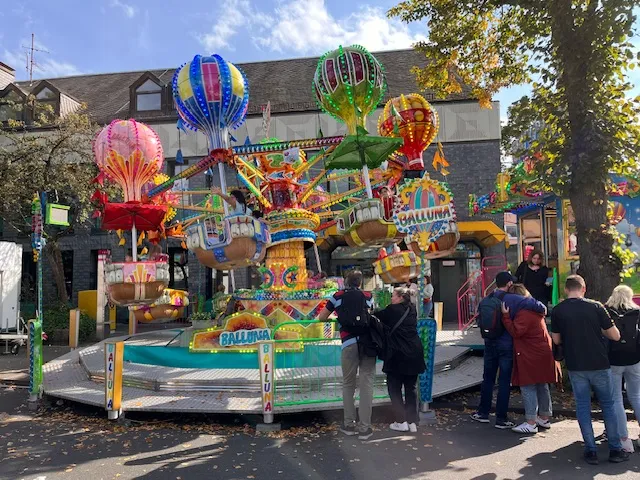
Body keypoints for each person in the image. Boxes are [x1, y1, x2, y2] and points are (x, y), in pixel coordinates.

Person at [551, 275, 628, 464]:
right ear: (583, 288)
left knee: (583, 406)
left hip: (576, 365)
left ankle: (591, 450)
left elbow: (556, 340)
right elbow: (615, 336)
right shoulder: (596, 307)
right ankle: (615, 450)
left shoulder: (558, 310)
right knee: (608, 405)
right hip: (599, 363)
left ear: (566, 290)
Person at [471, 272, 546, 429]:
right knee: (504, 381)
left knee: (488, 378)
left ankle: (482, 413)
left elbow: (479, 319)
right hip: (506, 345)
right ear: (509, 284)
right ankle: (501, 418)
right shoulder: (514, 299)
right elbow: (541, 307)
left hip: (489, 343)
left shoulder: (486, 299)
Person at [318, 270, 376, 440]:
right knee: (367, 384)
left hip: (348, 343)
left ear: (346, 282)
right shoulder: (368, 296)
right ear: (360, 283)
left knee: (348, 384)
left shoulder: (337, 296)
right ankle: (365, 428)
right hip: (367, 344)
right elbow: (371, 314)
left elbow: (322, 317)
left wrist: (338, 319)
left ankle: (349, 424)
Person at [500, 284, 557, 434]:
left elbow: (516, 331)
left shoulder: (524, 313)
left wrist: (506, 316)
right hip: (543, 351)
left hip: (530, 353)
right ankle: (544, 417)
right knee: (542, 384)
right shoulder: (535, 308)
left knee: (528, 385)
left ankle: (531, 422)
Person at [374, 286, 426, 433]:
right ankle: (412, 421)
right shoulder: (412, 309)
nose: (391, 298)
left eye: (394, 295)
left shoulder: (392, 310)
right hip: (414, 352)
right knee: (411, 388)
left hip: (397, 354)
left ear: (401, 297)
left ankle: (400, 421)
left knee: (394, 388)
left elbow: (375, 316)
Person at [605, 285, 640, 453]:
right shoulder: (637, 312)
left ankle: (624, 439)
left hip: (614, 360)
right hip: (634, 359)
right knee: (637, 396)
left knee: (616, 399)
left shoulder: (607, 312)